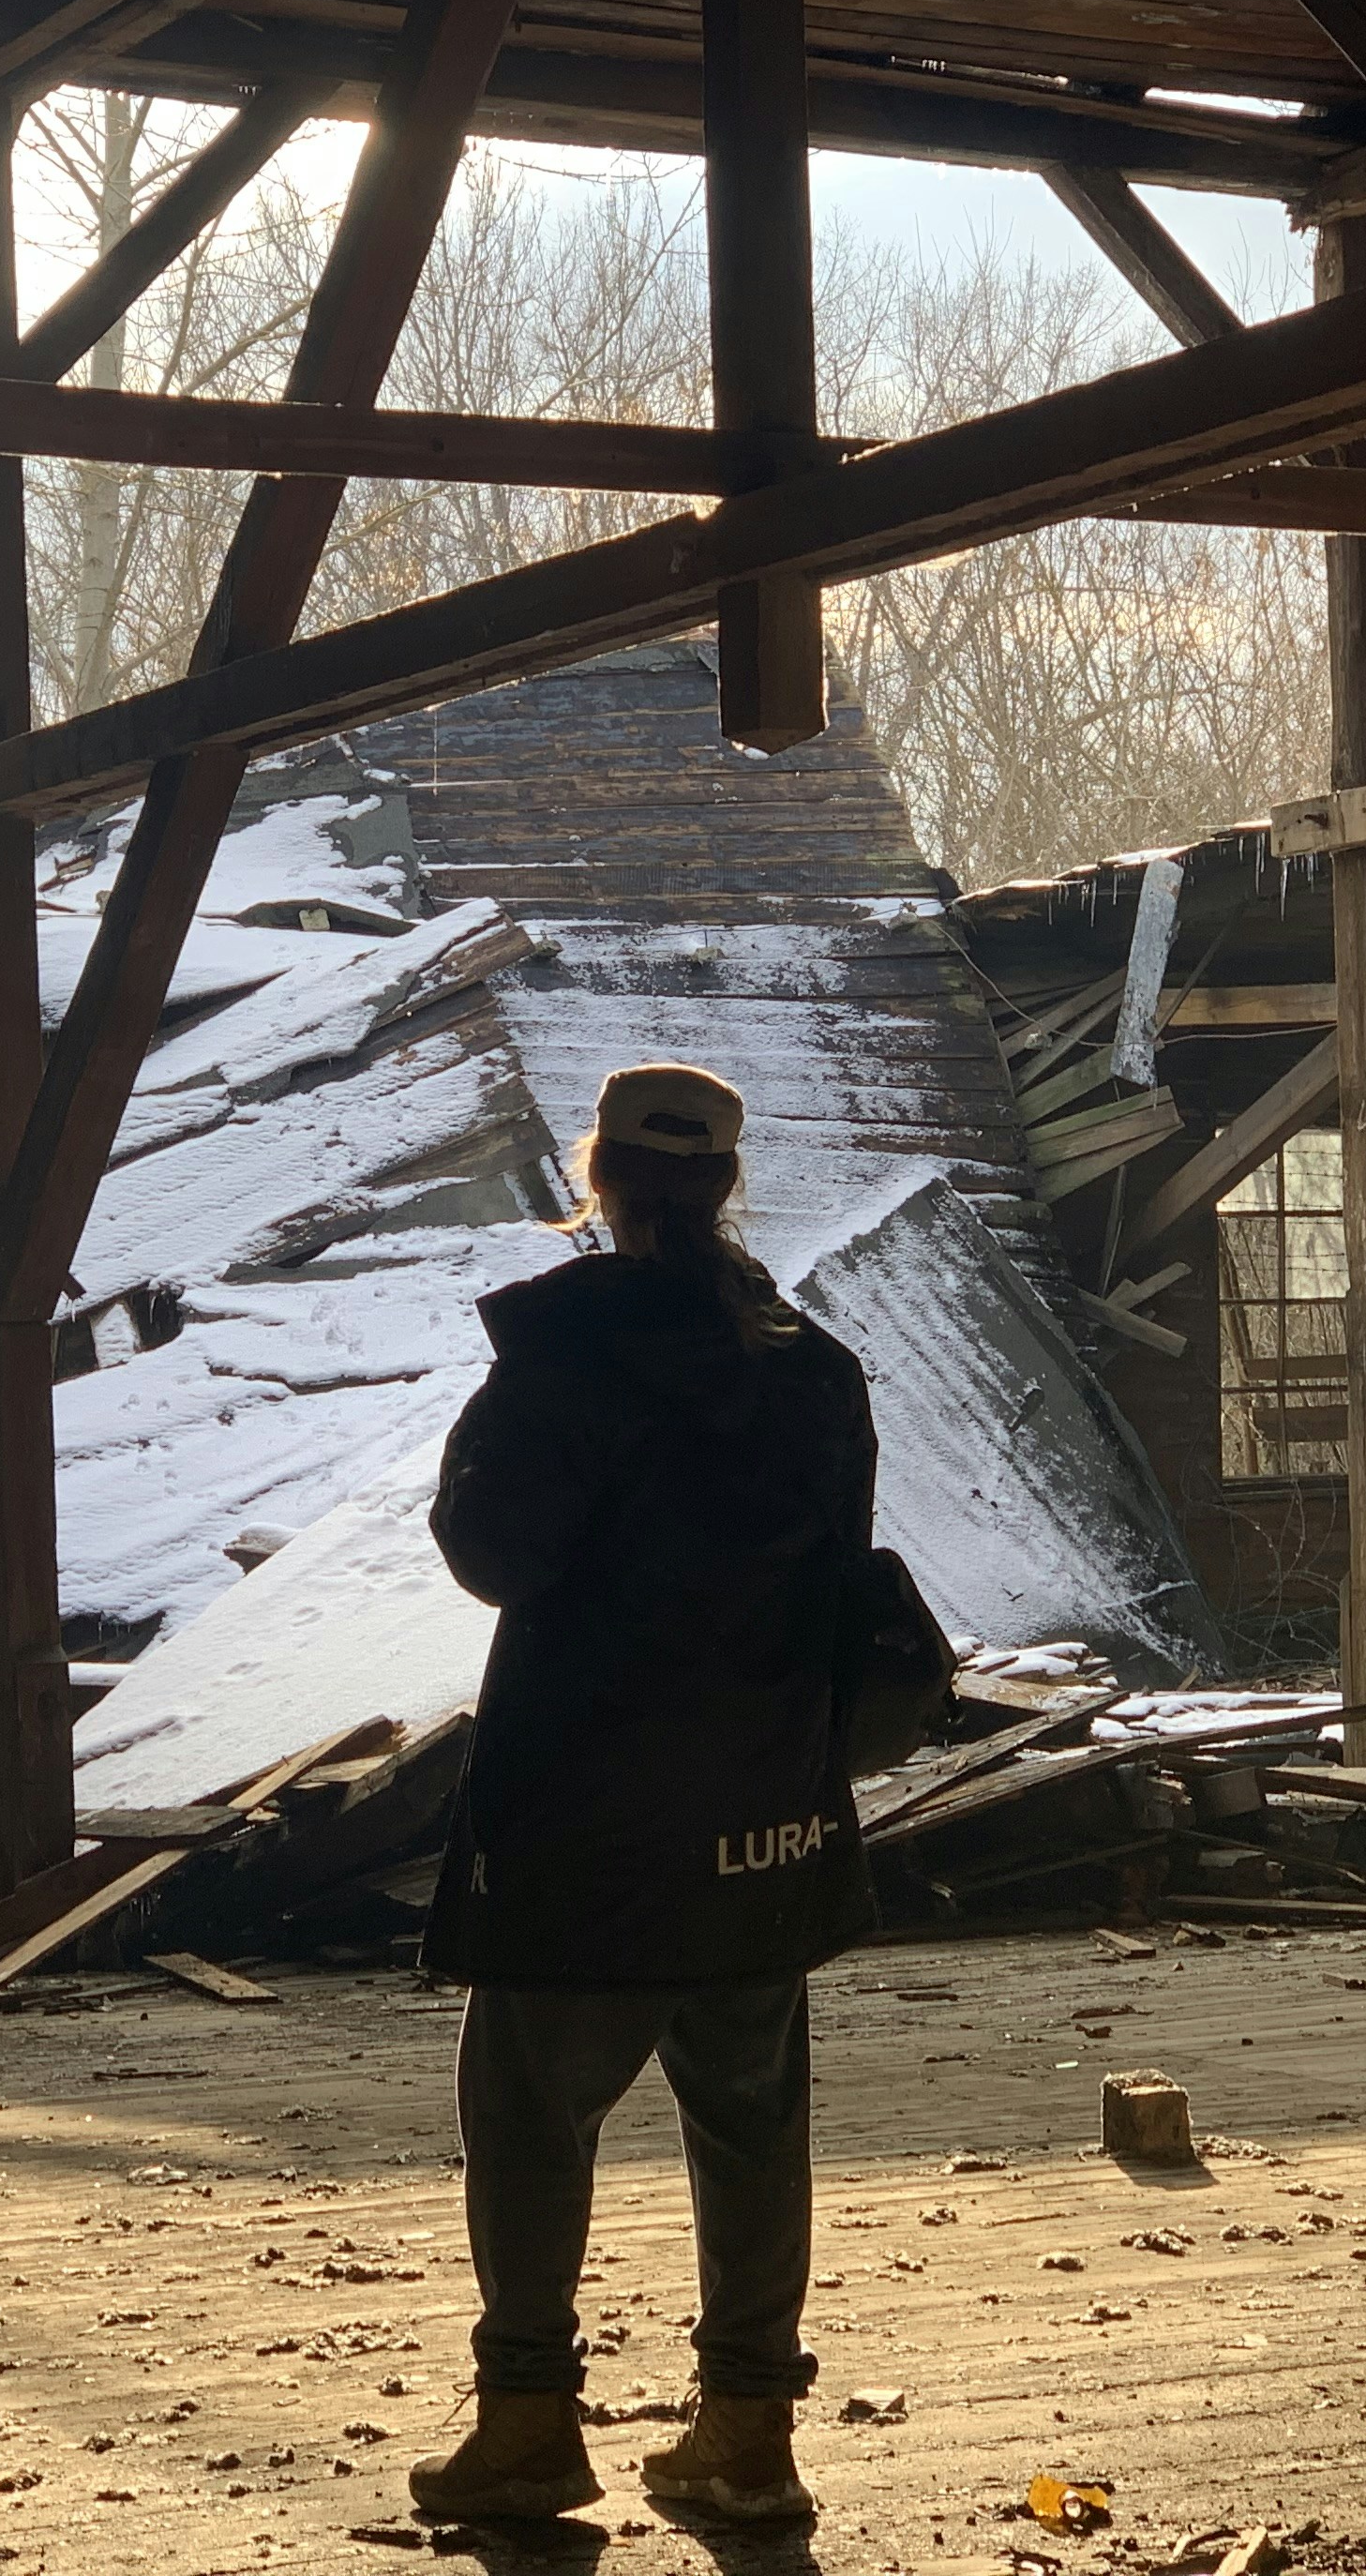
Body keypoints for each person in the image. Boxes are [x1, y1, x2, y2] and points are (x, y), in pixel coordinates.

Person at [406, 1062, 882, 2528]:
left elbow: (496, 1558)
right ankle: (745, 2434)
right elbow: (839, 1582)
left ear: (596, 1174)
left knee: (533, 2119)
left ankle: (534, 2427)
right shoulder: (813, 1367)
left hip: (586, 1828)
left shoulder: (564, 1358)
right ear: (726, 1185)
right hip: (764, 1815)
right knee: (751, 2127)